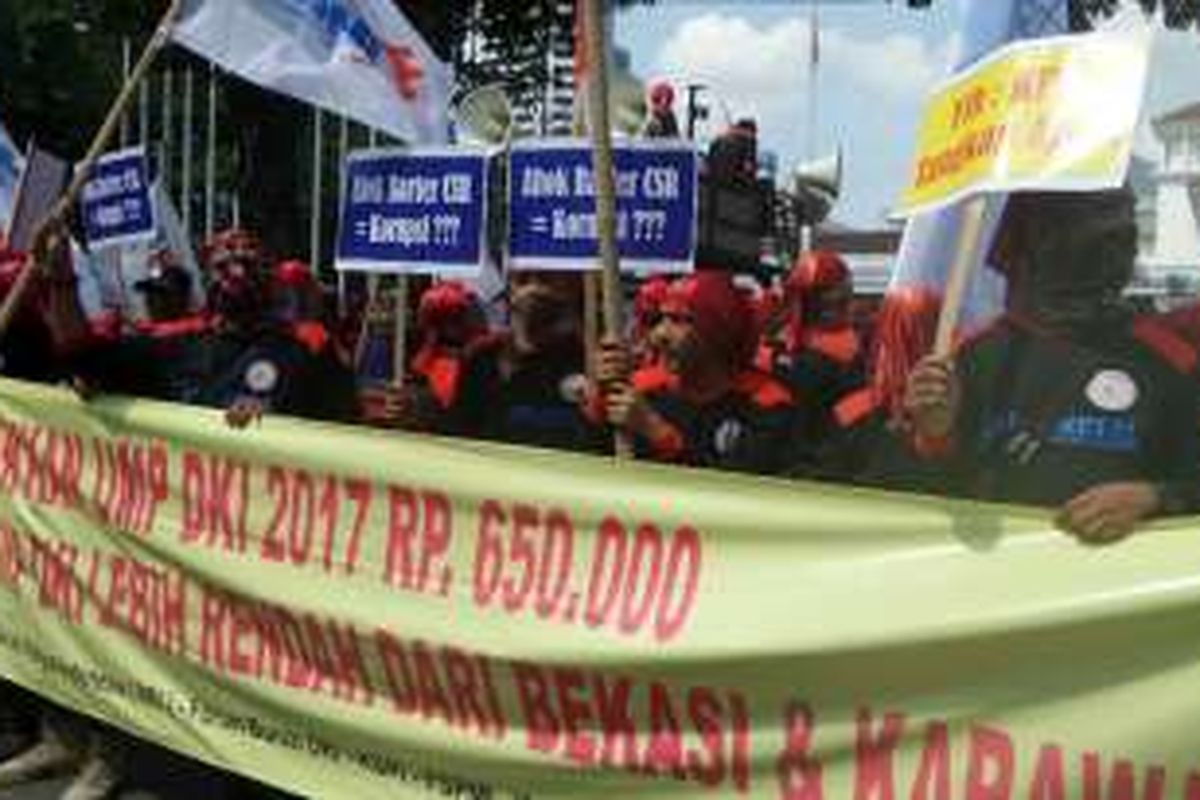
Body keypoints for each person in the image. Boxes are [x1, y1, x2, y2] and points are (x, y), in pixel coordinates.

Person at [905, 188, 1200, 543]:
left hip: (1118, 589)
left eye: (1123, 234)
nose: (1116, 250)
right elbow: (917, 501)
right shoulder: (973, 354)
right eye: (1091, 235)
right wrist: (936, 434)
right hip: (1001, 586)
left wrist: (1154, 498)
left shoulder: (1170, 358)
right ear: (1034, 243)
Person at [596, 270, 798, 474]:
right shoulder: (643, 389)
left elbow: (736, 492)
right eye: (661, 319)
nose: (659, 335)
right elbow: (587, 453)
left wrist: (657, 432)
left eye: (678, 321)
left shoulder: (769, 405)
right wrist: (602, 393)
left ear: (716, 333)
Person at [445, 271, 599, 451]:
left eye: (545, 279)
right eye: (523, 279)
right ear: (509, 287)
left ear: (569, 289)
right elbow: (457, 436)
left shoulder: (590, 360)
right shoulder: (481, 358)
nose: (532, 289)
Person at [760, 250, 868, 449]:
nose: (829, 304)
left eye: (836, 297)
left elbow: (808, 374)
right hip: (783, 438)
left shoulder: (850, 341)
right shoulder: (785, 332)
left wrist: (769, 358)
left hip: (822, 442)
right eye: (818, 297)